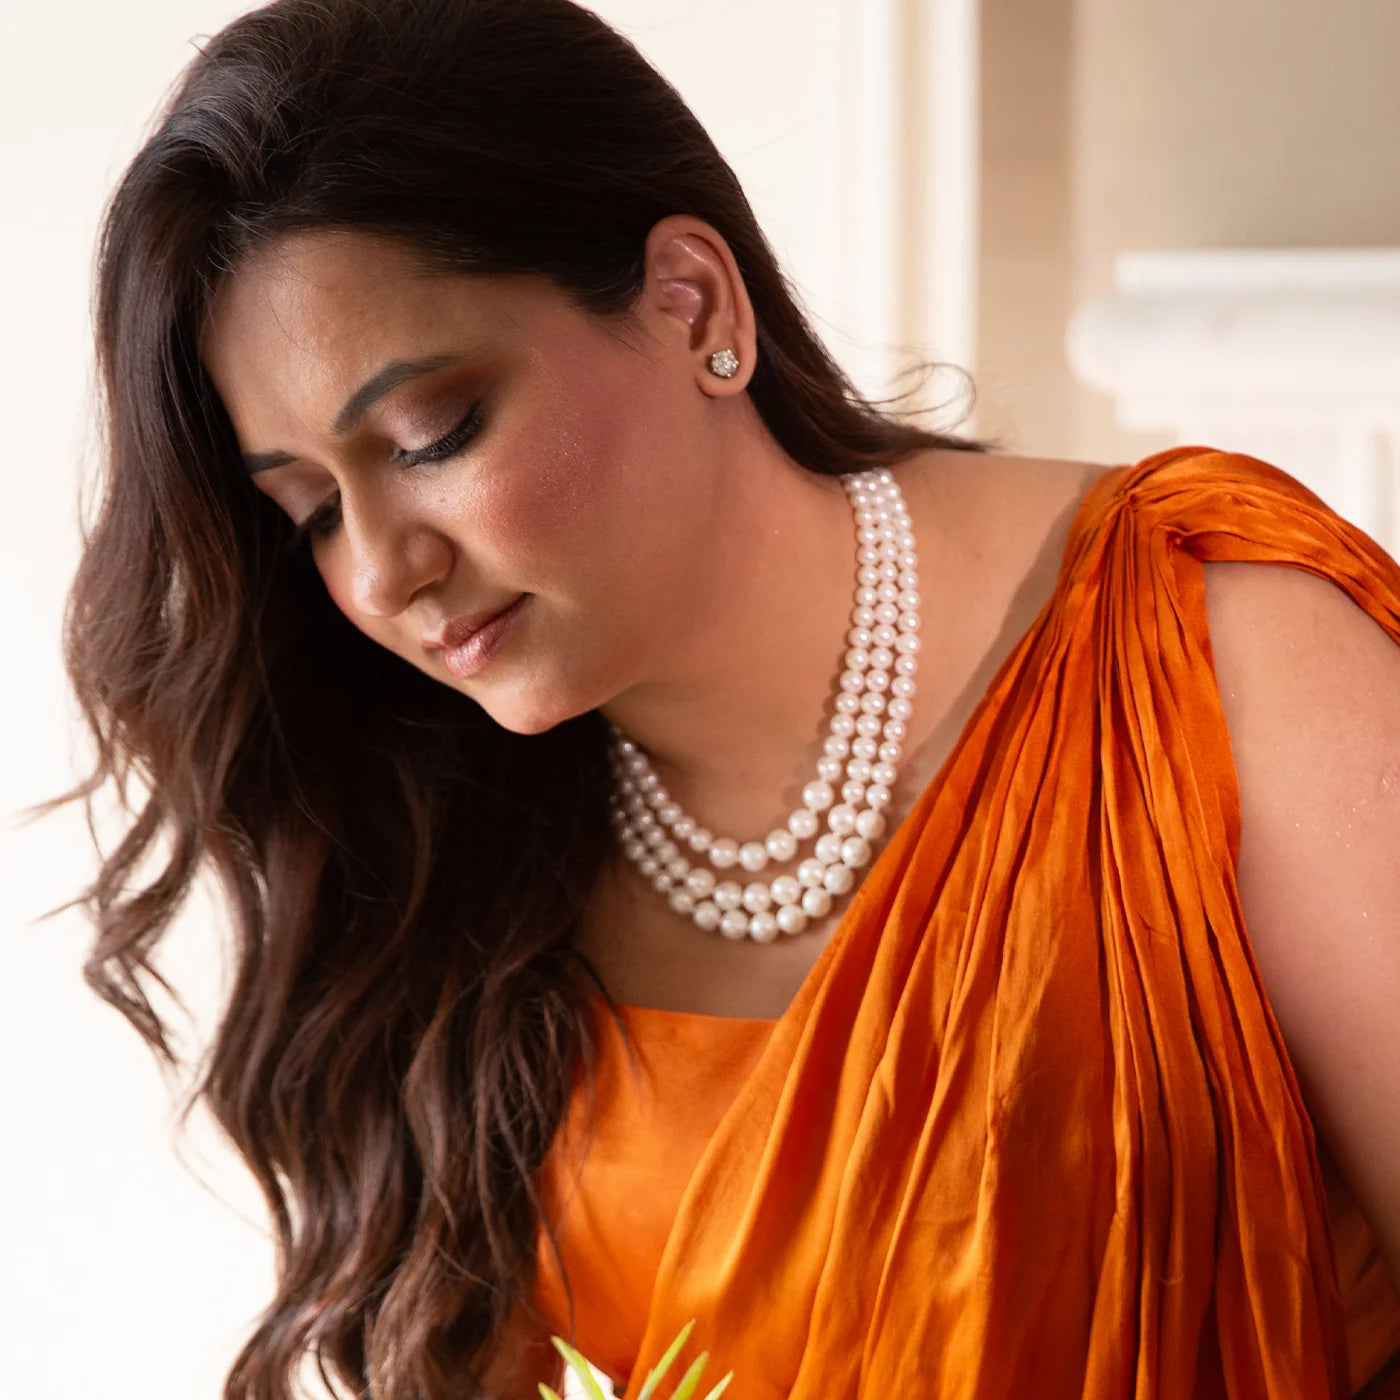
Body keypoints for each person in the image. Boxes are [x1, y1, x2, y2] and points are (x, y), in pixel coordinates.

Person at [61, 0, 1399, 1396]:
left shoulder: (1211, 656)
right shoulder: (458, 858)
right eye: (308, 510)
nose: (386, 569)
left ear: (691, 300)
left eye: (431, 434)